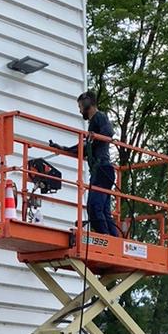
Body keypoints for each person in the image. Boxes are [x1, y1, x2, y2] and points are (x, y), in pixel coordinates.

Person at [50, 91, 121, 237]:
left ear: (87, 103)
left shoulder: (99, 117)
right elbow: (84, 148)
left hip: (102, 169)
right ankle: (113, 239)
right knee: (102, 210)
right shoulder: (93, 125)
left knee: (94, 207)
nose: (80, 110)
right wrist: (64, 149)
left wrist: (93, 139)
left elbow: (108, 132)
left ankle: (107, 239)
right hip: (101, 170)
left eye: (80, 106)